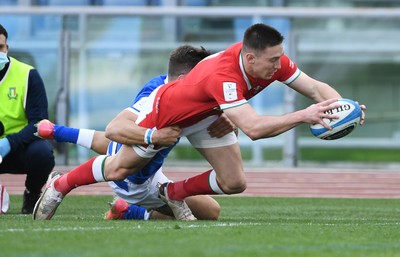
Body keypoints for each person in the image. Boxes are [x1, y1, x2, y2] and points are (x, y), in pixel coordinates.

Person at [33, 23, 366, 221]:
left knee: (235, 182)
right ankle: (62, 185)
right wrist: (305, 115)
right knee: (121, 169)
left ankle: (172, 192)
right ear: (250, 58)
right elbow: (253, 128)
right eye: (272, 60)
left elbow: (315, 87)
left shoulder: (270, 60)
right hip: (170, 114)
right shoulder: (225, 76)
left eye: (280, 57)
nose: (279, 65)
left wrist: (341, 108)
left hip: (209, 112)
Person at [34, 45, 235, 220]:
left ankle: (129, 209)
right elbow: (115, 130)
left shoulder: (183, 89)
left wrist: (225, 118)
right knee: (127, 148)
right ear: (185, 78)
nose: (208, 82)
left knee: (211, 211)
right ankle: (69, 186)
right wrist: (153, 136)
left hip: (150, 171)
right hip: (133, 180)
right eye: (203, 77)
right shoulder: (155, 96)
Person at [0, 24, 55, 214]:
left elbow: (39, 122)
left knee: (42, 153)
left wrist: (8, 142)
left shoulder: (27, 75)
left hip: (18, 148)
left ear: (6, 48)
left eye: (0, 47)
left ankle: (32, 194)